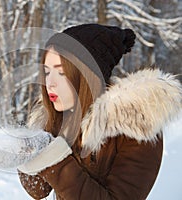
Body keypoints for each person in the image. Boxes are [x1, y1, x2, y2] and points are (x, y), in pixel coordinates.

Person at [17, 24, 182, 199]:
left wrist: (55, 160)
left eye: (62, 72)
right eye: (47, 72)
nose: (49, 83)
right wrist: (25, 152)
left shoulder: (136, 125)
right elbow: (38, 190)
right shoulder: (60, 117)